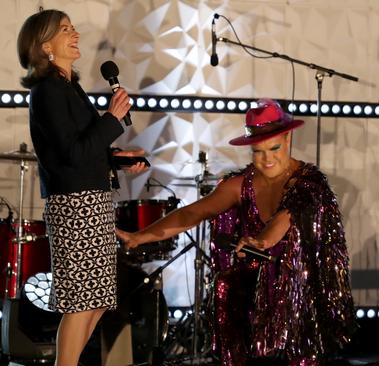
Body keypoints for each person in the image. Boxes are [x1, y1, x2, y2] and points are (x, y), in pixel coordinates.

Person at [117, 99, 357, 365]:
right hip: (256, 280)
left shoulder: (308, 183)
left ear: (288, 138)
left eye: (274, 148)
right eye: (258, 151)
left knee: (291, 300)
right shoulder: (242, 184)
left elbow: (284, 218)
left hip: (301, 285)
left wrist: (261, 241)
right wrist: (140, 236)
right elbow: (192, 213)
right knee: (225, 285)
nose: (267, 159)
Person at [17, 8, 146, 366]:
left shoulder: (68, 87)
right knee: (81, 303)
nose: (74, 34)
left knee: (98, 301)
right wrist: (112, 119)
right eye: (64, 30)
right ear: (45, 47)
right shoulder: (46, 92)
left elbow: (85, 148)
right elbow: (71, 154)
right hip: (75, 206)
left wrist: (118, 157)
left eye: (73, 28)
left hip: (93, 201)